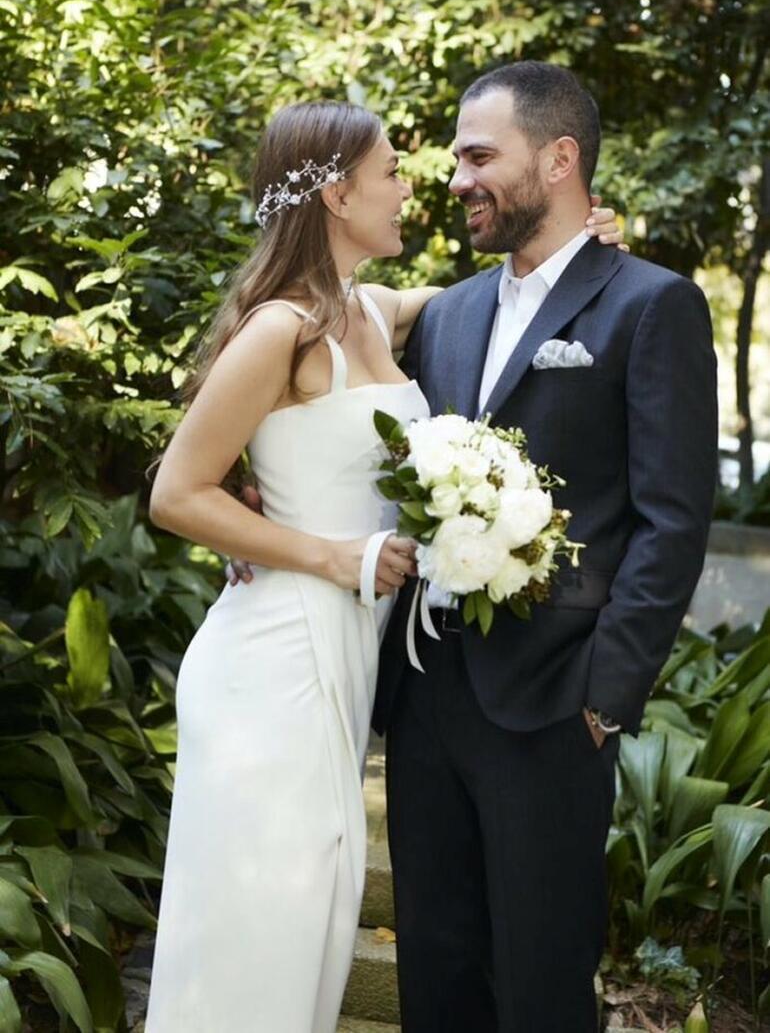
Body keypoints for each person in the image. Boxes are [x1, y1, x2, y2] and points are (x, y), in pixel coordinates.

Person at [143, 94, 625, 1032]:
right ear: (335, 195)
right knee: (260, 934)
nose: (412, 190)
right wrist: (333, 554)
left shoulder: (373, 310)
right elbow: (177, 492)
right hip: (273, 668)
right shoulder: (282, 328)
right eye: (393, 172)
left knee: (313, 938)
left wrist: (584, 239)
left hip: (343, 658)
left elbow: (508, 301)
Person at [372, 62, 719, 1033]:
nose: (457, 180)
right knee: (434, 973)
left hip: (554, 707)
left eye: (479, 156)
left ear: (559, 159)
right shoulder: (445, 314)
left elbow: (670, 520)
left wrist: (603, 700)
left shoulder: (650, 304)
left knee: (538, 986)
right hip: (425, 695)